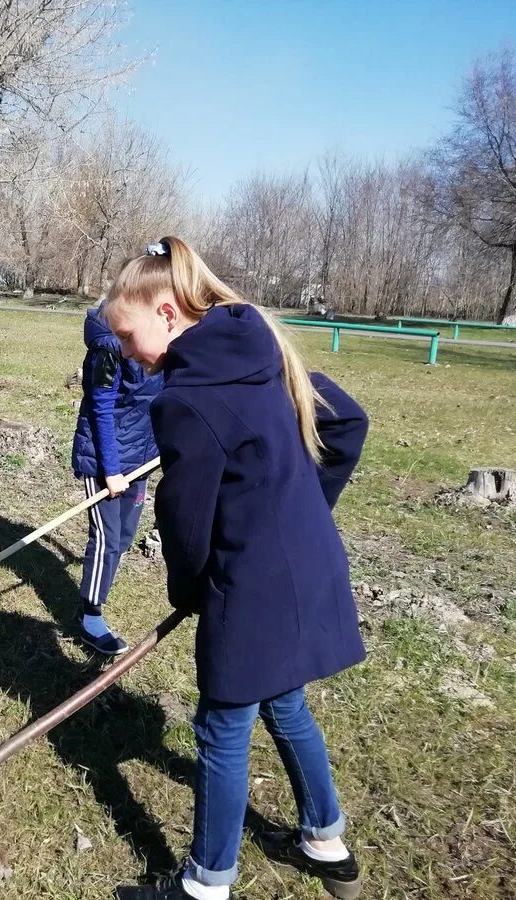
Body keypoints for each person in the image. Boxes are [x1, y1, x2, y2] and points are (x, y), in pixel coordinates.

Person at [103, 237, 369, 900]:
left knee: (222, 726)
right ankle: (325, 839)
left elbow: (187, 528)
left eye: (129, 336)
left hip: (253, 587)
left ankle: (206, 884)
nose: (128, 354)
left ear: (167, 313)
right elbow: (349, 425)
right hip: (307, 566)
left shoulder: (185, 401)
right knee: (285, 699)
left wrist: (193, 590)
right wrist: (303, 512)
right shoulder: (262, 350)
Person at [70, 302, 163, 655]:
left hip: (141, 459)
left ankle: (97, 591)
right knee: (107, 538)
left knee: (124, 537)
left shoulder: (163, 336)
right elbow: (101, 407)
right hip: (104, 461)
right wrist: (110, 470)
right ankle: (90, 617)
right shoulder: (109, 345)